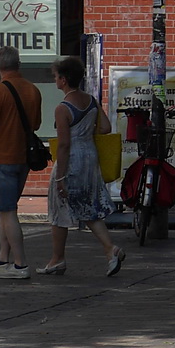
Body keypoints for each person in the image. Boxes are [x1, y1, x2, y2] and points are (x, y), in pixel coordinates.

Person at [38, 55, 124, 277]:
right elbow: (105, 127)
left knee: (58, 208)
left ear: (64, 79)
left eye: (56, 77)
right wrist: (86, 131)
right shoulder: (91, 100)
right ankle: (109, 249)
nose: (55, 80)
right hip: (90, 157)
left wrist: (60, 177)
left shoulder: (63, 107)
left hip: (72, 160)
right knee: (89, 206)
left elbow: (64, 144)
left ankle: (58, 258)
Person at [0, 44, 42, 280]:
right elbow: (35, 124)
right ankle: (2, 259)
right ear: (19, 64)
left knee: (7, 212)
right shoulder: (33, 90)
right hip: (24, 158)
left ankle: (20, 264)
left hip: (2, 157)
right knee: (7, 211)